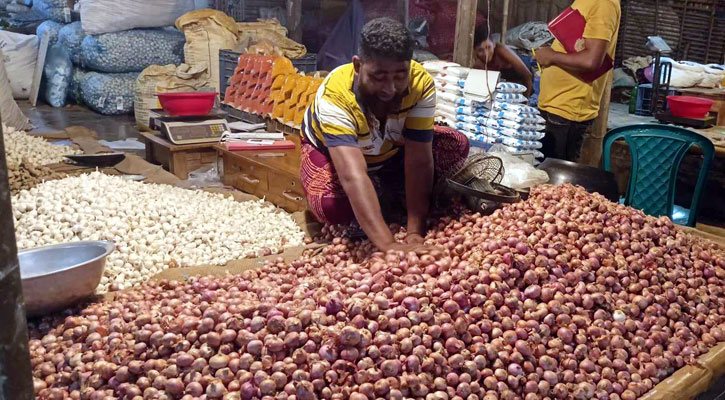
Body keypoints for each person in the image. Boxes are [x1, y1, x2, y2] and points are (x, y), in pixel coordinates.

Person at [300, 17, 469, 253]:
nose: (390, 89)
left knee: (455, 145)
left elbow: (419, 159)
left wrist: (414, 234)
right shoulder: (335, 96)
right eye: (379, 77)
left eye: (400, 76)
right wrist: (389, 245)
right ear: (358, 66)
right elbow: (352, 175)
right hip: (335, 156)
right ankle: (382, 197)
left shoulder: (420, 85)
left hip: (387, 151)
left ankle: (384, 194)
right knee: (331, 206)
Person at [534, 0, 621, 162]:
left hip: (568, 109)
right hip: (556, 104)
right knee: (545, 175)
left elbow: (591, 61)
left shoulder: (603, 3)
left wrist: (551, 56)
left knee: (557, 180)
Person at [473, 23, 533, 96]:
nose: (486, 53)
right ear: (475, 51)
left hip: (525, 73)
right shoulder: (478, 64)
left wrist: (525, 100)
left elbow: (527, 75)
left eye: (488, 47)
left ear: (494, 45)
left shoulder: (502, 50)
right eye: (480, 50)